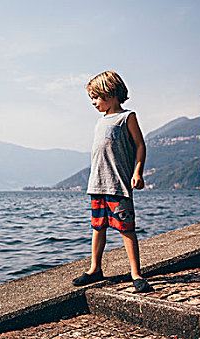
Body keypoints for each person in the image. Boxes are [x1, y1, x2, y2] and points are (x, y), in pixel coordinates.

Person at [72, 70, 152, 293]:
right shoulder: (101, 121)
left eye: (96, 97)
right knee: (97, 228)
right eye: (92, 98)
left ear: (112, 93)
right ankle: (95, 268)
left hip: (117, 185)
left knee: (126, 229)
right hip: (97, 185)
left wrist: (138, 172)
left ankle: (135, 273)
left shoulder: (127, 117)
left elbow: (140, 146)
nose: (93, 102)